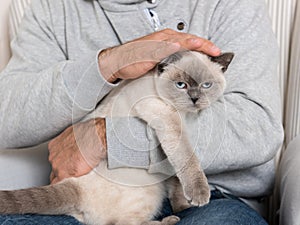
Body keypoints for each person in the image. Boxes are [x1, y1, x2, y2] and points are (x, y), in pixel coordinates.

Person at [0, 0, 284, 224]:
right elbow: (6, 115)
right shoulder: (53, 8)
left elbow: (257, 127)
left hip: (212, 199)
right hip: (99, 194)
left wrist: (110, 138)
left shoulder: (229, 3)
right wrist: (106, 65)